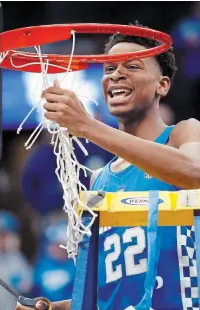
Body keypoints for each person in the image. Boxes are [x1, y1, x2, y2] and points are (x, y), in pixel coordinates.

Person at [16, 21, 200, 310]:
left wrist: (87, 126)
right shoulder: (100, 179)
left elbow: (194, 172)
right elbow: (107, 292)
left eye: (133, 67)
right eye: (109, 69)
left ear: (162, 85)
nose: (116, 75)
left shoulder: (184, 134)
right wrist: (54, 308)